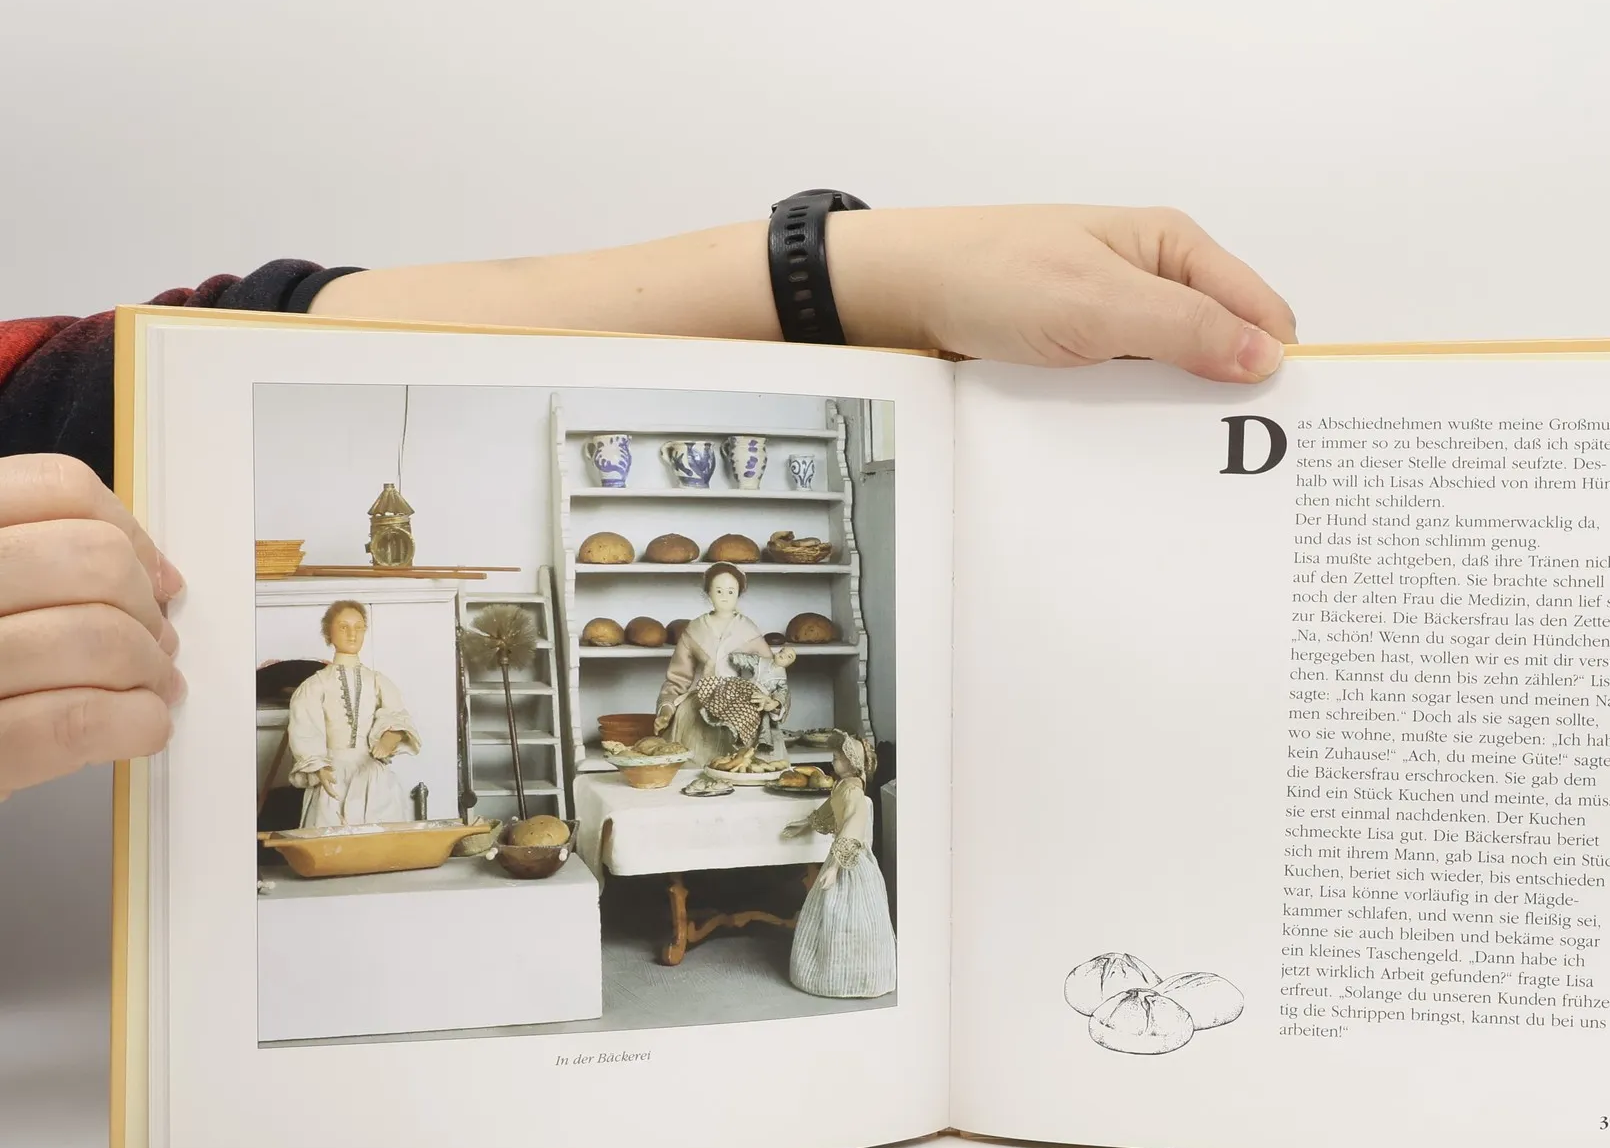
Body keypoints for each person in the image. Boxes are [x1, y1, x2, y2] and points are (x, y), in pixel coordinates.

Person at [0, 204, 1295, 801]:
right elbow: (676, 674)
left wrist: (865, 269)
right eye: (719, 584)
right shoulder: (688, 625)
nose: (723, 590)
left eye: (730, 583)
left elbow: (183, 364)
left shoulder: (746, 621)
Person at [283, 601, 421, 828]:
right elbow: (305, 728)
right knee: (331, 829)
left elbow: (396, 714)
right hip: (333, 774)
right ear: (328, 632)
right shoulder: (315, 685)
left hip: (371, 775)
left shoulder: (377, 681)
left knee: (380, 831)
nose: (352, 634)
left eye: (359, 627)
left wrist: (390, 736)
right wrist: (318, 766)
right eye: (343, 626)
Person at [782, 732, 895, 1000]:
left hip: (851, 858)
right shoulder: (843, 785)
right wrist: (806, 823)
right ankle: (831, 971)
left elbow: (853, 829)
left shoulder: (854, 792)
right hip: (840, 854)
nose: (833, 761)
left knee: (852, 914)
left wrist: (835, 867)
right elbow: (829, 809)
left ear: (852, 762)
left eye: (837, 758)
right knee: (829, 913)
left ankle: (857, 976)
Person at [653, 564, 796, 767]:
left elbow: (773, 673)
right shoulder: (695, 629)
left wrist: (772, 701)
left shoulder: (748, 629)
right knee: (694, 771)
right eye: (719, 591)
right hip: (699, 710)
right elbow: (677, 678)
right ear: (708, 593)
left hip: (742, 709)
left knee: (744, 768)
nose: (725, 597)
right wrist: (666, 710)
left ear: (739, 594)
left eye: (731, 591)